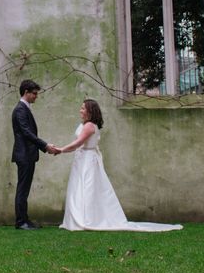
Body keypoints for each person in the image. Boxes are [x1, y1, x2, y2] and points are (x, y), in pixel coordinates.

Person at [57, 99, 182, 232]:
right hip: (83, 159)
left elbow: (78, 143)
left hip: (87, 160)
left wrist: (60, 150)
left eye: (83, 108)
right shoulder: (87, 125)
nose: (80, 110)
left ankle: (86, 219)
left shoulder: (89, 126)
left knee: (87, 188)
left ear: (90, 111)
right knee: (81, 187)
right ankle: (82, 218)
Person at [11, 79, 60, 230]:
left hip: (27, 155)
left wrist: (44, 147)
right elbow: (27, 133)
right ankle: (21, 222)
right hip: (24, 155)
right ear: (25, 92)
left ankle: (25, 220)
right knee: (23, 189)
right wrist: (45, 146)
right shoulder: (20, 109)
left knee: (24, 189)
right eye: (34, 93)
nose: (36, 96)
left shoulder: (24, 109)